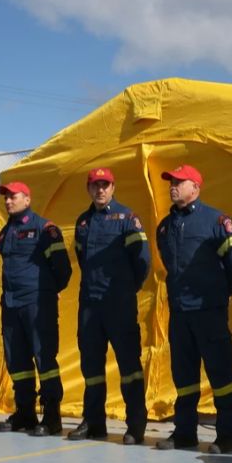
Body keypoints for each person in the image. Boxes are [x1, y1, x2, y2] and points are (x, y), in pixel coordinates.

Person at [154, 164, 232, 454]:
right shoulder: (165, 227)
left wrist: (220, 293)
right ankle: (184, 433)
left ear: (195, 187)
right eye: (171, 182)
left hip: (209, 311)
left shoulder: (216, 221)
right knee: (184, 378)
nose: (173, 186)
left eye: (179, 182)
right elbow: (169, 263)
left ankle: (227, 437)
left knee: (221, 376)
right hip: (180, 313)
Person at [67, 168, 151, 444]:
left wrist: (127, 288)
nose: (100, 190)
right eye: (95, 186)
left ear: (113, 188)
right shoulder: (82, 222)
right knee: (91, 368)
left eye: (105, 185)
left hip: (119, 304)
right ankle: (94, 423)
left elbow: (143, 261)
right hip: (90, 305)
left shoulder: (127, 219)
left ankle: (136, 425)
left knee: (129, 367)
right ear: (88, 189)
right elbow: (82, 257)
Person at [0, 181, 72, 436]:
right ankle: (25, 414)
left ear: (27, 199)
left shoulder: (44, 229)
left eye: (13, 196)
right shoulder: (4, 233)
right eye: (5, 197)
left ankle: (51, 418)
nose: (8, 201)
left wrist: (46, 294)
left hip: (38, 306)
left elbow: (63, 270)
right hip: (11, 306)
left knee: (44, 361)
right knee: (17, 362)